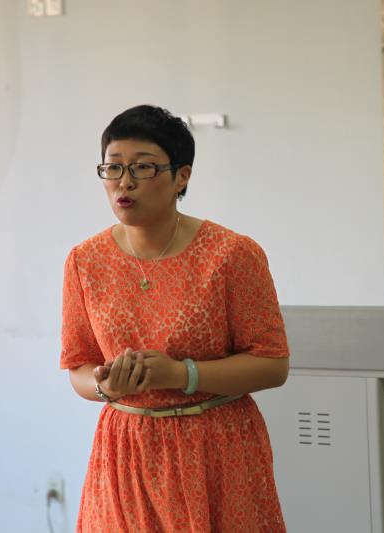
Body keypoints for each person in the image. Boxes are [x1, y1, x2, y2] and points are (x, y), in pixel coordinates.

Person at [60, 104, 290, 532]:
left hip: (217, 447)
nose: (124, 181)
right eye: (113, 167)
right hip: (126, 450)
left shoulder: (232, 255)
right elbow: (78, 367)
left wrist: (181, 374)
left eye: (143, 167)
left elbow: (272, 364)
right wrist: (105, 385)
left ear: (181, 176)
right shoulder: (84, 261)